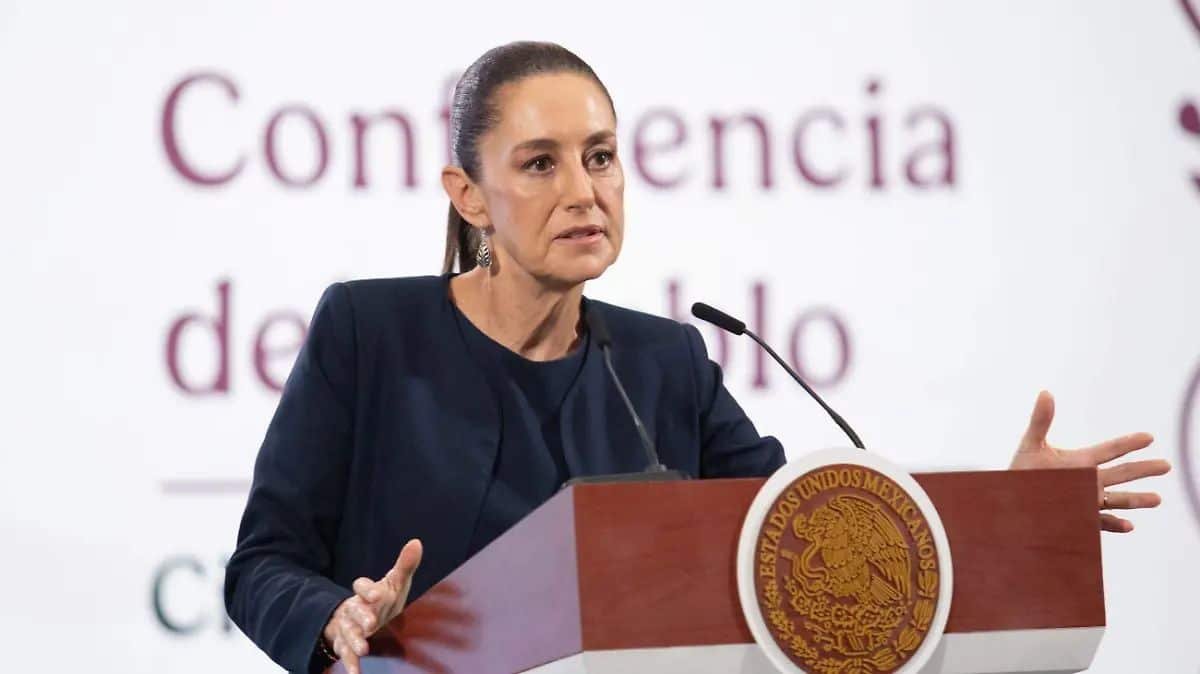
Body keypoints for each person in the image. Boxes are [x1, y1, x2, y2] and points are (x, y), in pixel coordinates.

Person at [223, 42, 1172, 674]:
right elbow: (263, 560)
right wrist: (335, 621)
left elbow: (802, 544)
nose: (584, 190)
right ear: (469, 195)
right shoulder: (369, 332)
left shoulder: (664, 361)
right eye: (541, 163)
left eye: (601, 156)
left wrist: (1001, 515)